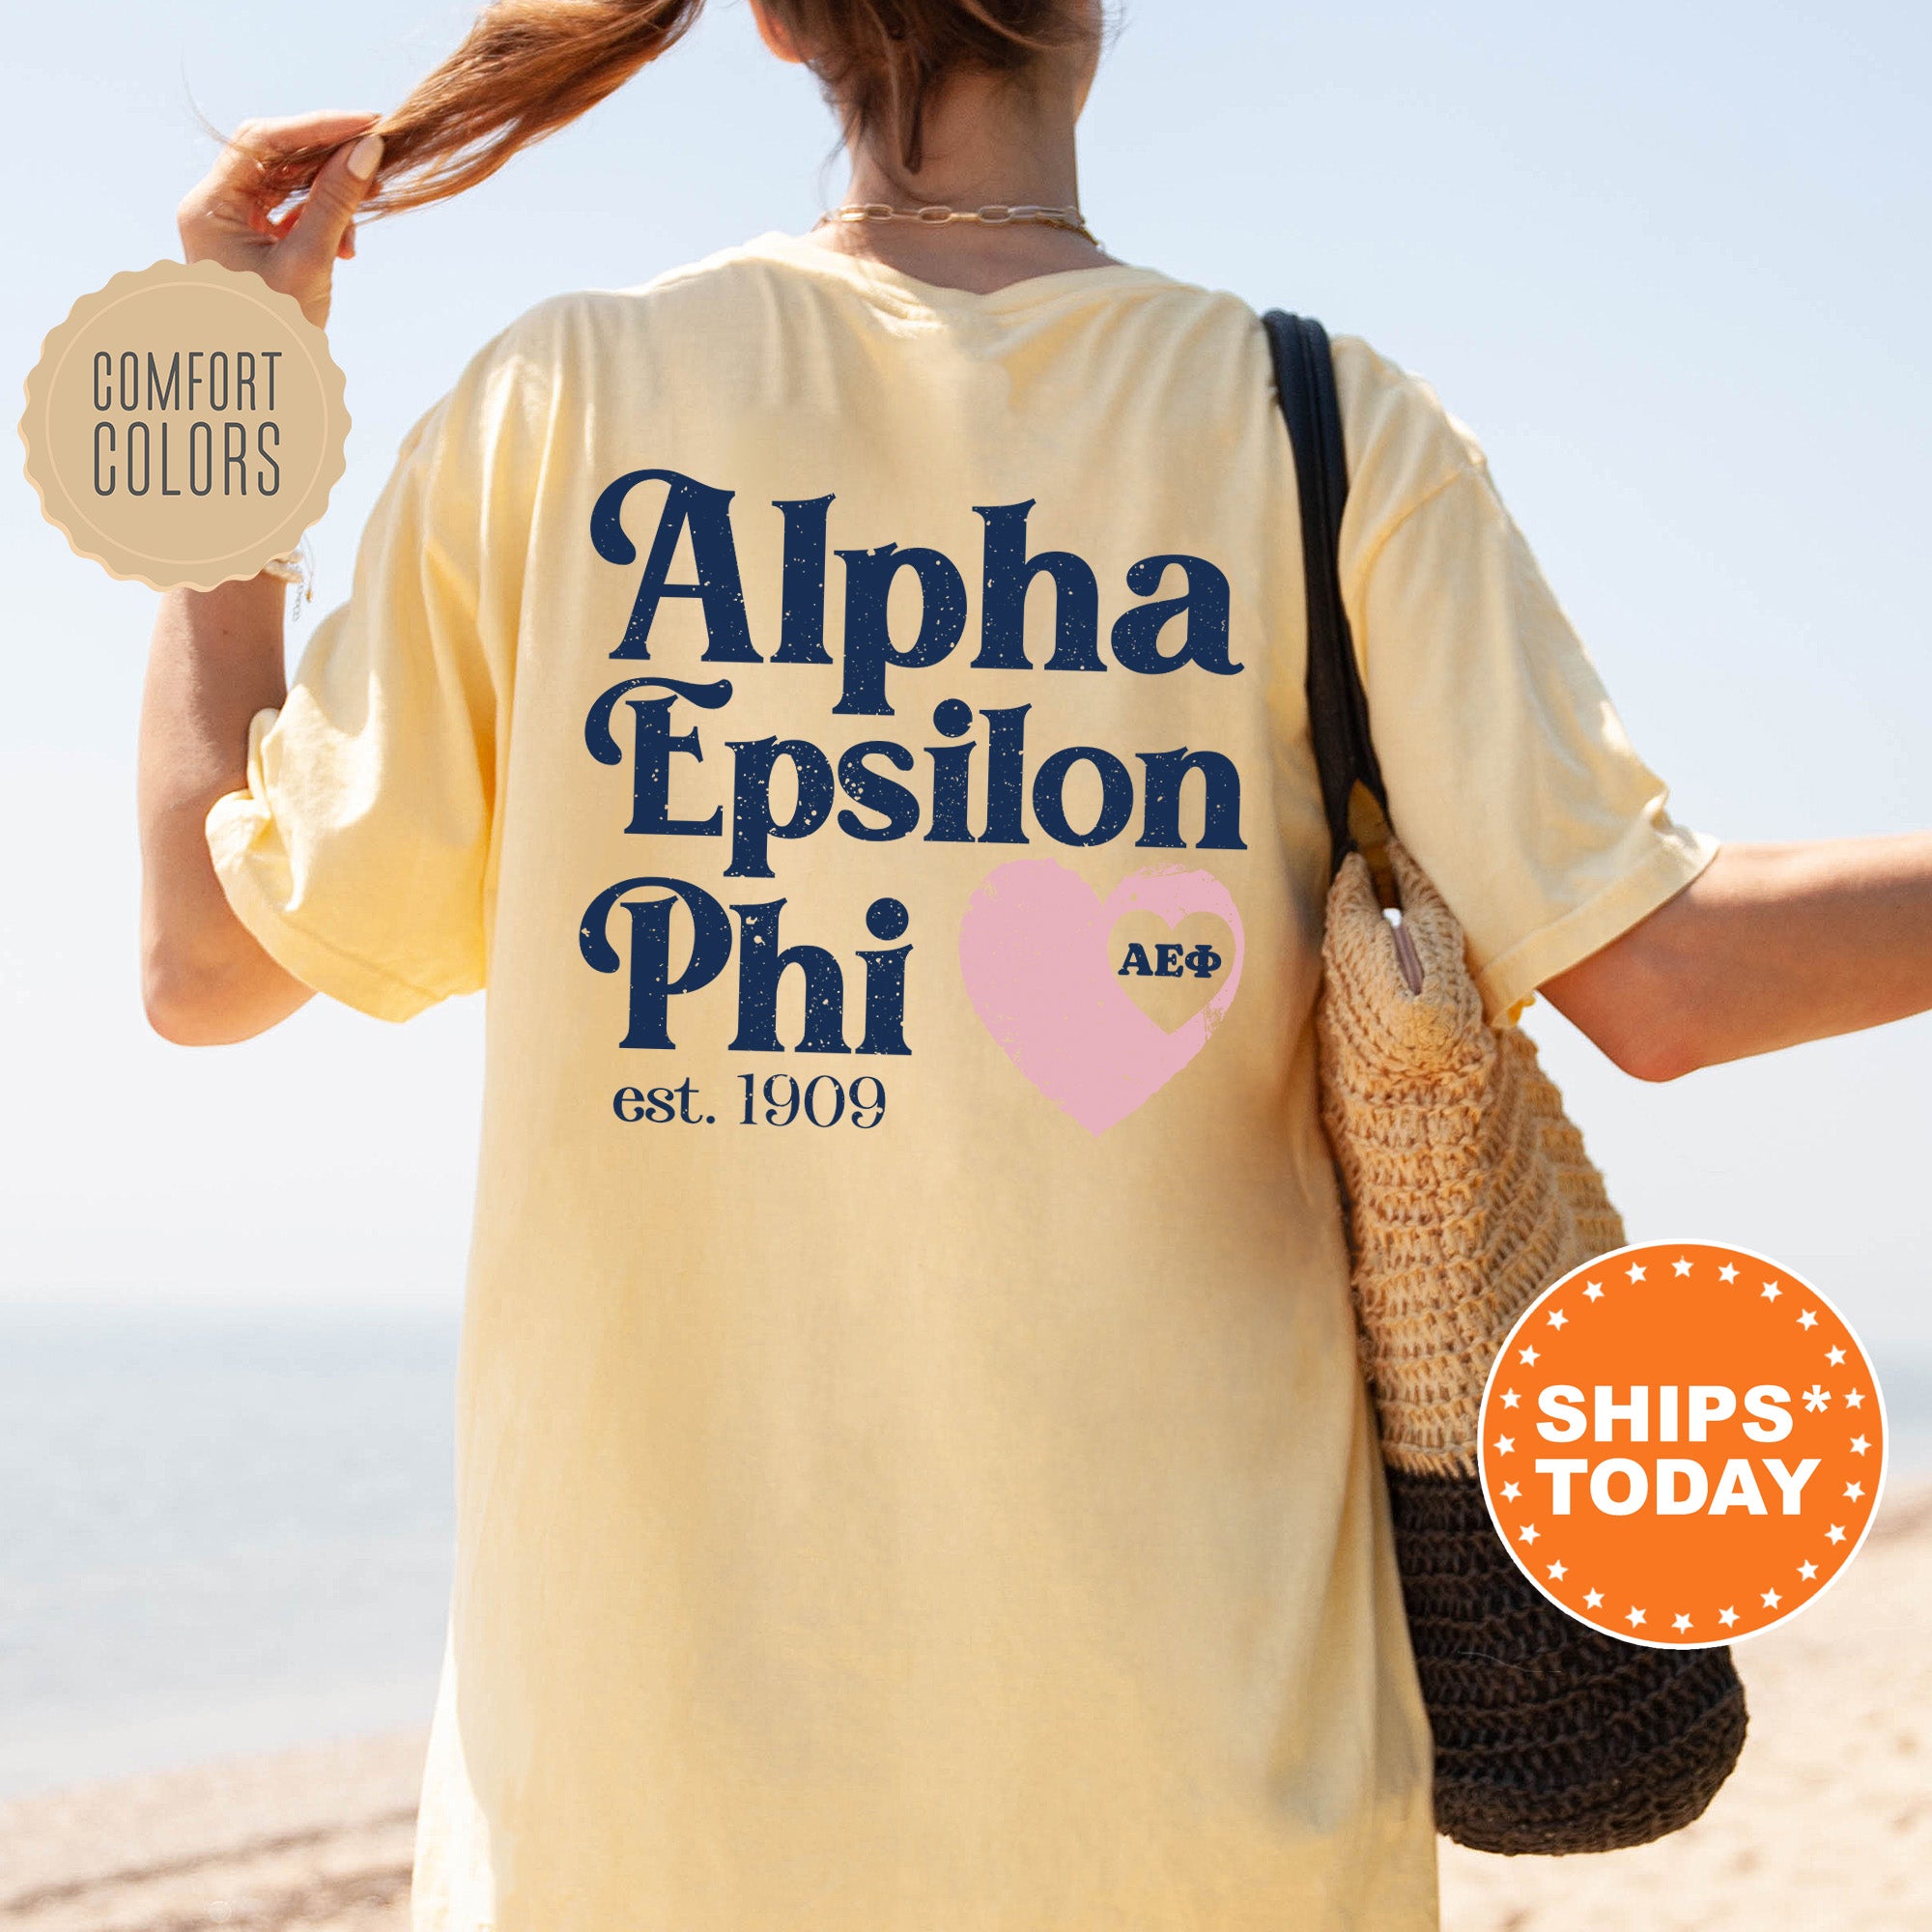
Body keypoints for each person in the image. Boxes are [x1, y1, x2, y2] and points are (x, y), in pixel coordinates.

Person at [140, 3, 1932, 1928]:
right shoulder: (1316, 429)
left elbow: (206, 963)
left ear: (768, 23)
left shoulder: (559, 401)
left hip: (636, 1819)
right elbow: (1661, 984)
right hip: (1205, 1801)